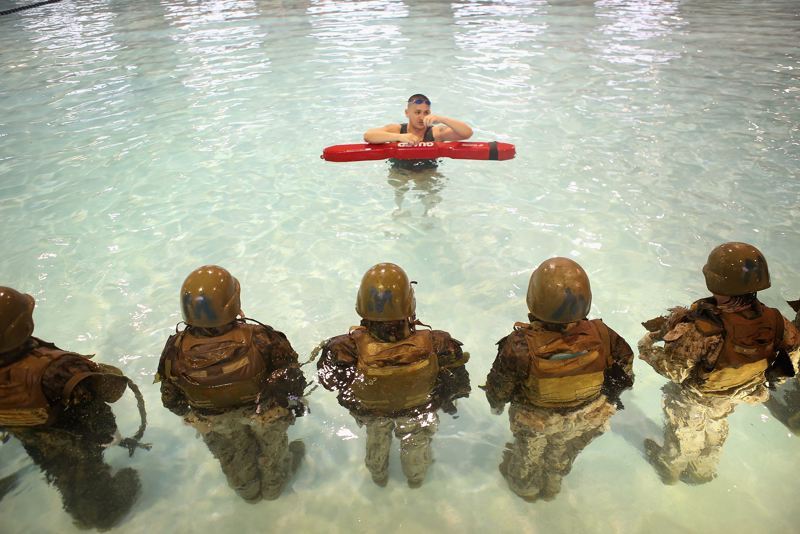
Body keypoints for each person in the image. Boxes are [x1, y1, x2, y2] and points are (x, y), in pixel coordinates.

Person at [639, 242, 800, 484]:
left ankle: (669, 469)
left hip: (695, 396)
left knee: (684, 432)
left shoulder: (704, 330)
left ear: (714, 281)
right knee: (716, 426)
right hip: (734, 394)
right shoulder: (778, 321)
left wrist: (647, 348)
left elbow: (675, 372)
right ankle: (703, 470)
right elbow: (794, 360)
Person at [484, 258, 634, 502]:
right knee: (563, 452)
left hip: (537, 420)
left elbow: (500, 386)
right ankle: (553, 484)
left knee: (527, 456)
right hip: (587, 416)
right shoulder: (604, 334)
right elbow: (624, 370)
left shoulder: (520, 345)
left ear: (533, 300)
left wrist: (496, 404)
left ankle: (526, 488)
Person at [155, 265, 307, 502]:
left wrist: (195, 414)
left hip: (215, 421)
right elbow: (292, 380)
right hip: (263, 413)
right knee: (273, 450)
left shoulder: (174, 349)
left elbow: (171, 399)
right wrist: (294, 404)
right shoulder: (262, 338)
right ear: (233, 304)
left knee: (231, 456)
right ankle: (273, 488)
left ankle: (247, 491)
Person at [0, 286, 147, 529]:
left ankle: (80, 507)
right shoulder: (57, 370)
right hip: (74, 440)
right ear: (23, 328)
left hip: (31, 437)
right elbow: (93, 408)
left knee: (61, 474)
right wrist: (109, 432)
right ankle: (101, 516)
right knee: (89, 480)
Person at [316, 263, 470, 488]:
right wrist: (446, 402)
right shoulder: (438, 342)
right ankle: (415, 477)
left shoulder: (343, 347)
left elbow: (329, 381)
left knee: (376, 437)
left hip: (372, 412)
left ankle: (378, 475)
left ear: (361, 305)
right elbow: (457, 383)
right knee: (416, 443)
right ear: (410, 303)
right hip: (418, 411)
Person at [364, 94, 473, 170]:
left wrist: (442, 119)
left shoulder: (436, 133)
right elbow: (368, 136)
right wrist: (400, 137)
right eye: (417, 112)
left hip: (427, 172)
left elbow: (467, 133)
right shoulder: (397, 130)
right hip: (399, 171)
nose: (422, 117)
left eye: (426, 112)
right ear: (407, 113)